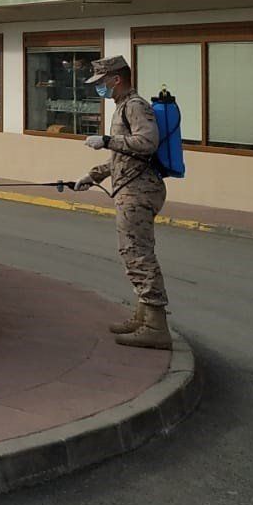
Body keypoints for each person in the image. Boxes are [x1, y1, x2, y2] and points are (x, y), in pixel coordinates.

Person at [75, 55, 171, 349]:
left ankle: (156, 327)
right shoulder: (122, 107)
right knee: (136, 252)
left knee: (137, 255)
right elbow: (122, 156)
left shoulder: (134, 106)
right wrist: (94, 176)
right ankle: (143, 316)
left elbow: (146, 143)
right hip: (132, 187)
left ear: (115, 79)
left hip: (139, 190)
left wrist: (106, 140)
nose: (99, 88)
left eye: (101, 82)